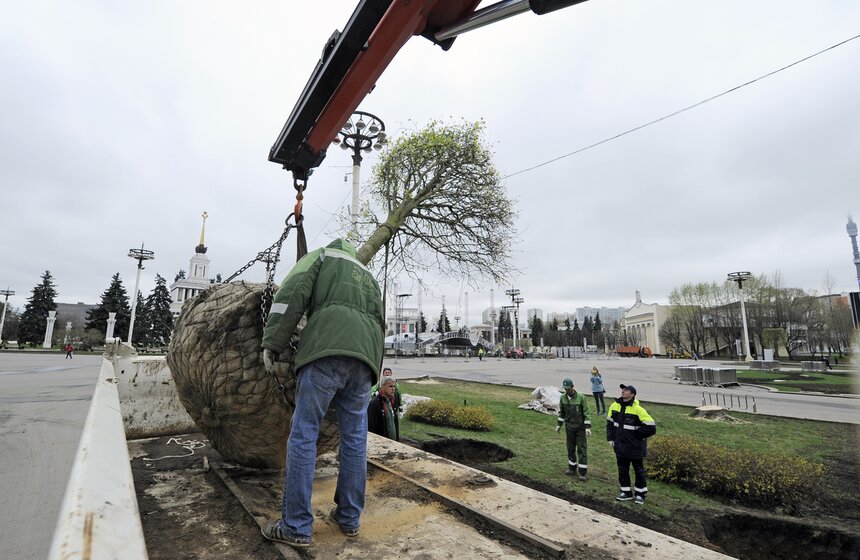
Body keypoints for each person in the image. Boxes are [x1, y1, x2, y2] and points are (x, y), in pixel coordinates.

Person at [260, 238, 384, 549]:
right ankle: (349, 519)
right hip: (365, 361)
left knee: (304, 434)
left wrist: (273, 341)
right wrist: (373, 370)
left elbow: (292, 292)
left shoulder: (322, 256)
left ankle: (296, 526)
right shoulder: (368, 277)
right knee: (355, 438)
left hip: (325, 352)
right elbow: (379, 324)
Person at [606, 384, 656, 505]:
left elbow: (651, 427)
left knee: (639, 471)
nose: (623, 391)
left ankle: (640, 494)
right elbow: (610, 424)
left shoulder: (638, 409)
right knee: (622, 470)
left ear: (632, 394)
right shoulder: (614, 406)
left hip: (635, 447)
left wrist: (636, 436)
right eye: (623, 389)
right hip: (620, 446)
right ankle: (626, 492)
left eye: (626, 390)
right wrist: (611, 438)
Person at [555, 378, 591, 481]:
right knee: (570, 448)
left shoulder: (581, 398)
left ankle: (583, 472)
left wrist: (587, 427)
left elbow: (586, 413)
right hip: (569, 428)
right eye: (565, 389)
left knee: (581, 449)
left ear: (572, 386)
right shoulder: (562, 398)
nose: (567, 391)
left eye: (568, 388)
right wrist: (559, 425)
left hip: (580, 429)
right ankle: (572, 468)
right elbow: (562, 413)